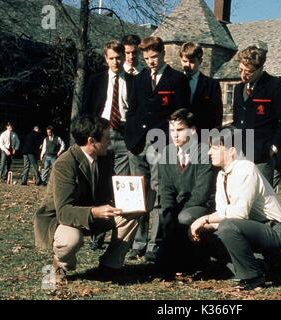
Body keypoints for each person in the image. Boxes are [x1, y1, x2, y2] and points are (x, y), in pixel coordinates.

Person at [34, 116, 142, 283]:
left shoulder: (106, 156)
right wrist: (94, 212)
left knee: (133, 214)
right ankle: (60, 264)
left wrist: (133, 195)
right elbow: (63, 212)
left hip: (95, 214)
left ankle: (110, 265)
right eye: (106, 139)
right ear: (91, 141)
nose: (109, 143)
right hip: (63, 220)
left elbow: (109, 190)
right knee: (71, 240)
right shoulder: (65, 164)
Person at [189, 127, 281, 290]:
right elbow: (222, 212)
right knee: (206, 232)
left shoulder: (246, 169)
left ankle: (254, 276)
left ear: (232, 150)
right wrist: (201, 227)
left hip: (273, 230)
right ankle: (254, 266)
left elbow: (238, 214)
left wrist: (204, 218)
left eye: (214, 148)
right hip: (249, 227)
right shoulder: (222, 175)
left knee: (228, 227)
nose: (209, 153)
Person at [124, 36, 190, 262]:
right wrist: (130, 137)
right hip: (138, 144)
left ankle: (155, 244)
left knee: (160, 195)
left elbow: (182, 114)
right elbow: (131, 110)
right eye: (146, 58)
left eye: (154, 57)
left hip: (162, 144)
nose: (150, 62)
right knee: (138, 196)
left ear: (162, 54)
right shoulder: (139, 79)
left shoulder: (177, 79)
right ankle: (138, 242)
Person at [157, 108, 215, 272]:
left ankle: (197, 259)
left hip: (201, 206)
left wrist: (176, 212)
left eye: (180, 130)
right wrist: (168, 211)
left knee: (184, 217)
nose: (175, 135)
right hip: (178, 207)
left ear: (193, 130)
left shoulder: (204, 152)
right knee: (166, 217)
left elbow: (202, 193)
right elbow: (166, 189)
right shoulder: (167, 152)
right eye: (172, 130)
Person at [232, 46, 281, 186]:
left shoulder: (276, 85)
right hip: (240, 152)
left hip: (262, 153)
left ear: (260, 69)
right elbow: (237, 120)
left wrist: (274, 147)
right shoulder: (238, 88)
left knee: (262, 199)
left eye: (248, 72)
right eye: (240, 70)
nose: (243, 76)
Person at [82, 39, 132, 176]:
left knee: (121, 180)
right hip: (101, 131)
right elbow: (86, 109)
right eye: (111, 58)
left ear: (124, 57)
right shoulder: (95, 80)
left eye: (118, 58)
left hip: (124, 134)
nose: (115, 62)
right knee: (101, 175)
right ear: (106, 58)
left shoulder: (134, 81)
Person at [179, 42, 223, 130]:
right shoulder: (173, 80)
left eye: (192, 61)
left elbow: (217, 115)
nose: (187, 65)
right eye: (184, 61)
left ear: (200, 61)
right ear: (180, 59)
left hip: (202, 134)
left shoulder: (212, 85)